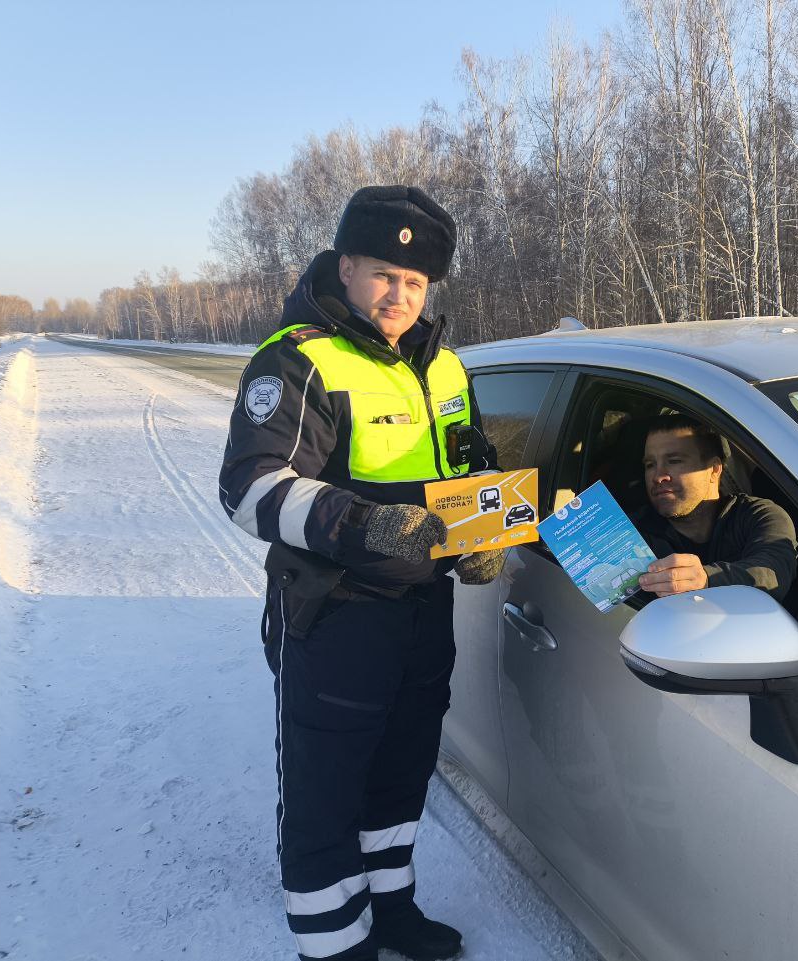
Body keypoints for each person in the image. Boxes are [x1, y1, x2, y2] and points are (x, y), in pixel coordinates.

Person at [219, 186, 502, 961]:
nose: (398, 294)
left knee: (400, 773)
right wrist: (364, 524)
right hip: (336, 612)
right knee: (325, 794)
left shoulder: (445, 366)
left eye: (414, 283)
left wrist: (483, 532)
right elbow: (249, 488)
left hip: (421, 611)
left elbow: (471, 462)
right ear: (345, 266)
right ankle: (334, 942)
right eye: (383, 273)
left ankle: (391, 908)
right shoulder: (299, 357)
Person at [634, 414, 798, 600]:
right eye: (650, 464)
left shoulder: (760, 516)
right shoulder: (630, 534)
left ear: (714, 469)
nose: (658, 476)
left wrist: (706, 579)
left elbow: (773, 571)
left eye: (674, 461)